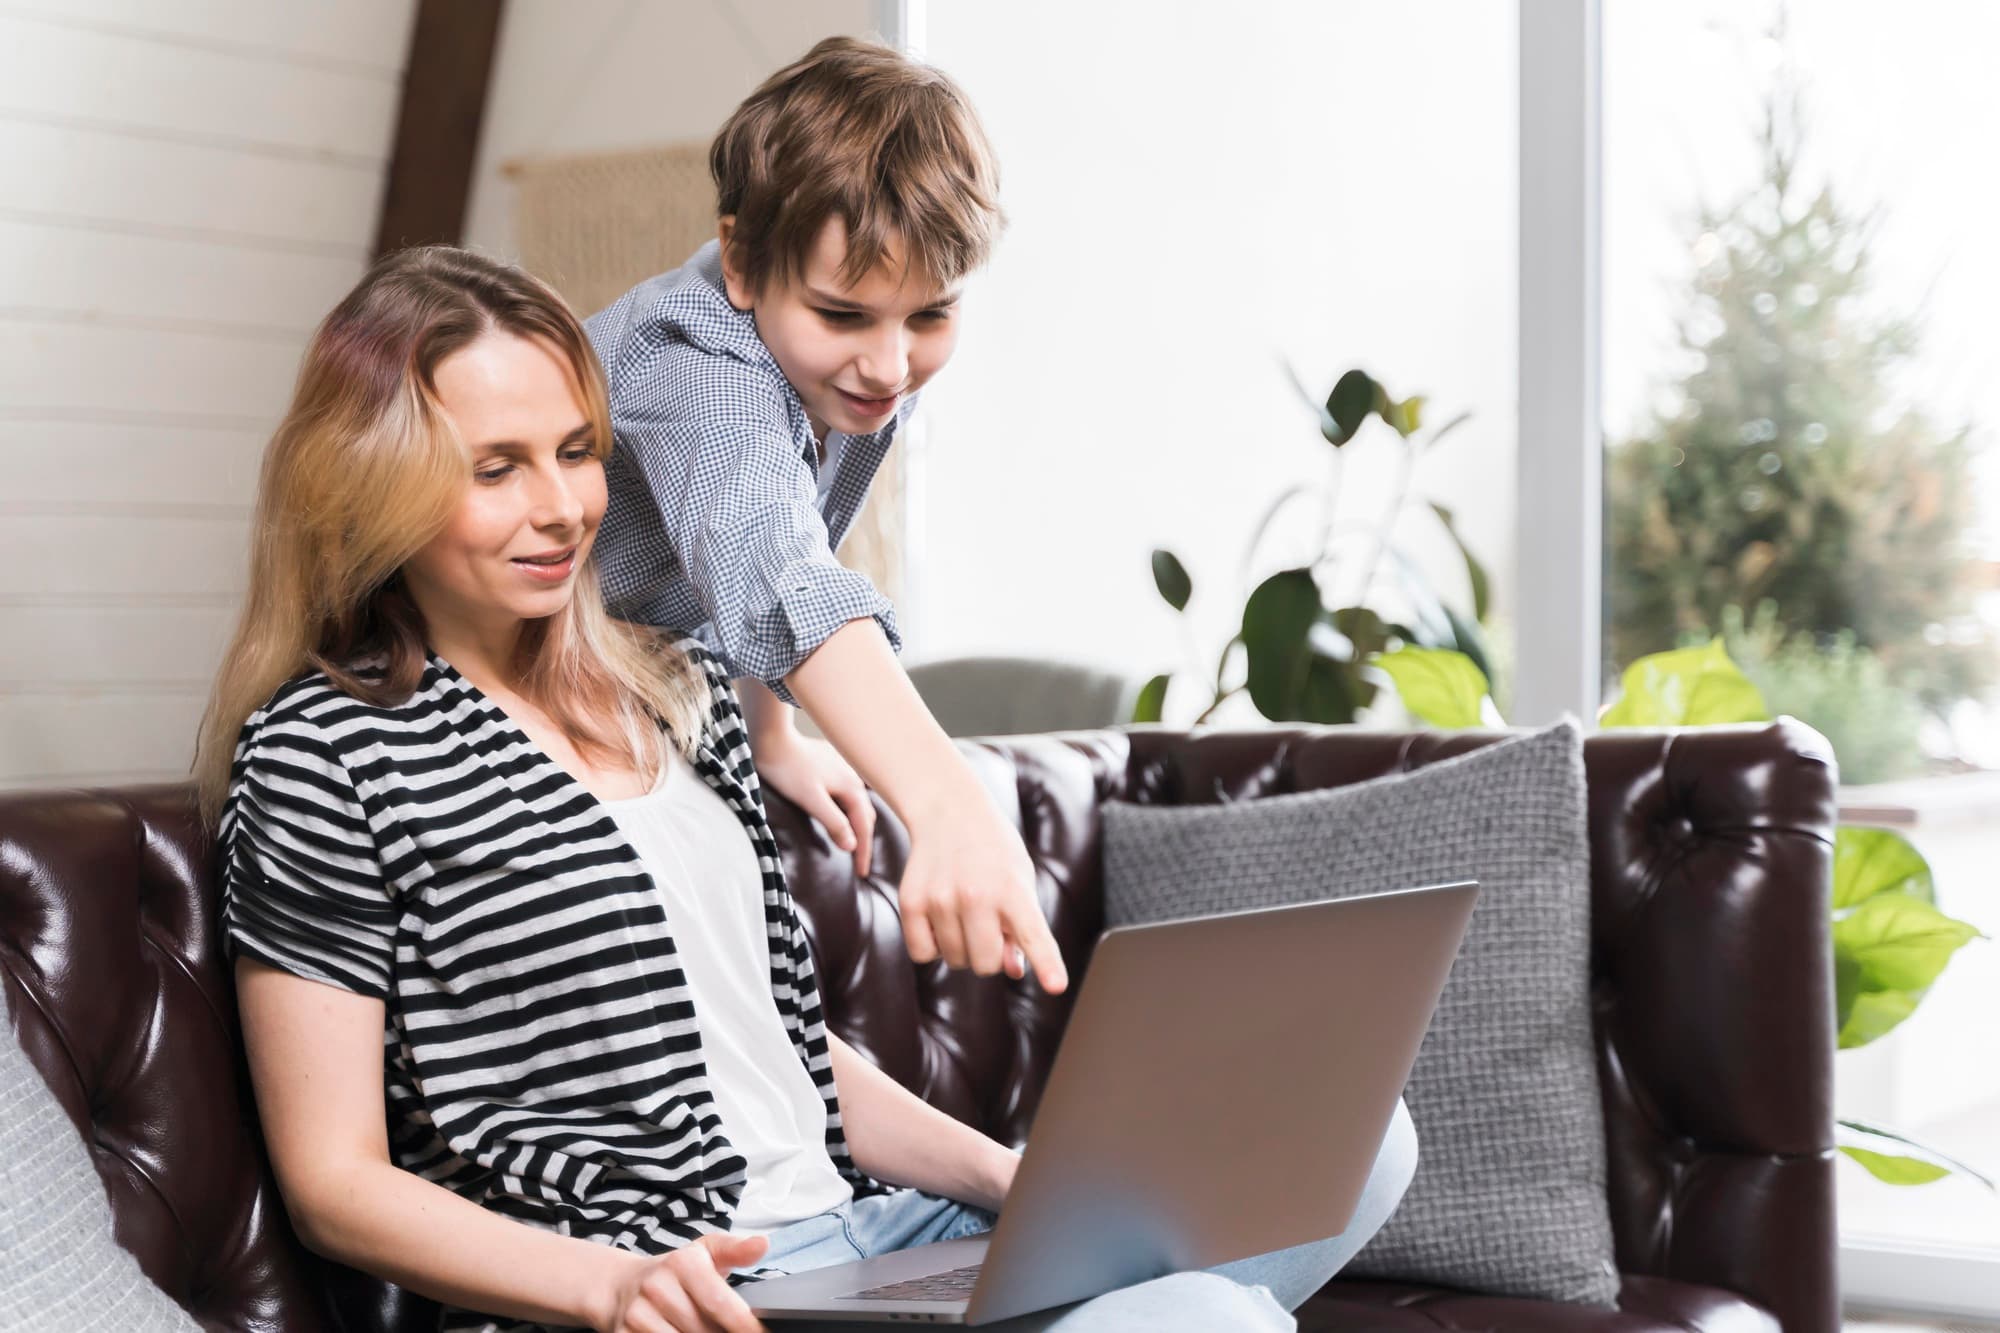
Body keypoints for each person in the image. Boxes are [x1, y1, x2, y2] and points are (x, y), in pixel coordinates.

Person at [194, 248, 1416, 1333]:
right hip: (670, 1288)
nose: (560, 508)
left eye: (574, 452)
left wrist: (1013, 1181)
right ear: (375, 484)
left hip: (859, 1249)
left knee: (1358, 1142)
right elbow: (333, 1182)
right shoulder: (324, 752)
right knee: (1199, 1315)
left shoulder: (670, 685)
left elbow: (780, 1052)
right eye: (494, 469)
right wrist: (609, 1287)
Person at [586, 37, 1070, 999]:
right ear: (740, 261)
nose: (890, 366)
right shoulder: (699, 376)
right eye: (845, 315)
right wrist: (949, 803)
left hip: (621, 687)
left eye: (931, 315)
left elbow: (766, 552)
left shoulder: (838, 365)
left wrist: (771, 739)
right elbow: (775, 568)